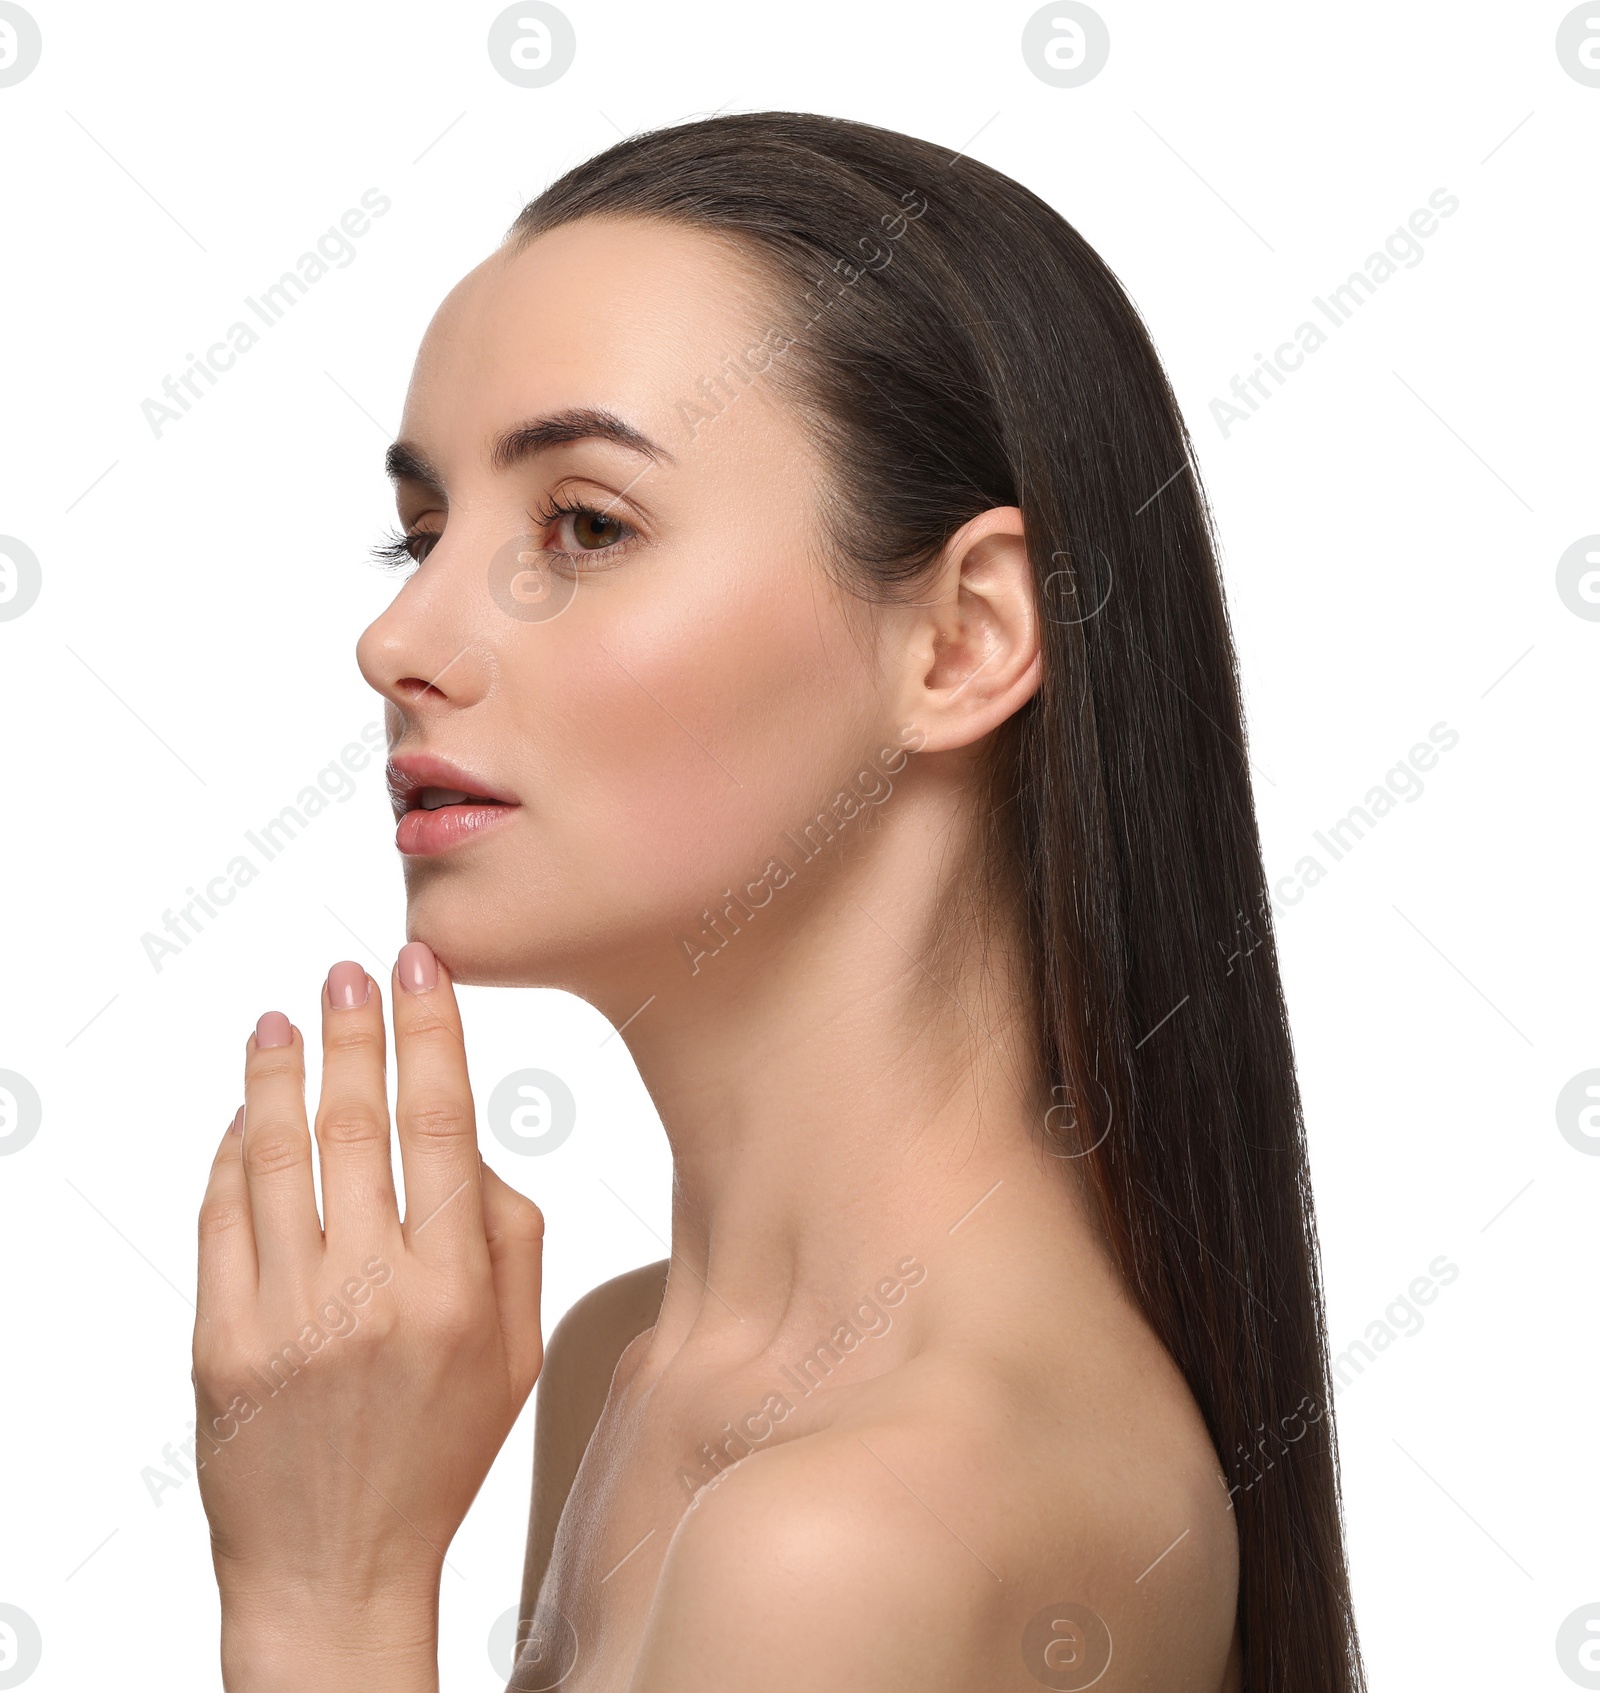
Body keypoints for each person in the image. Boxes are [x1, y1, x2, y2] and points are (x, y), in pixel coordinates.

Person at [191, 111, 1364, 1691]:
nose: (397, 637)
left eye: (584, 528)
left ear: (960, 639)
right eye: (421, 532)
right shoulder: (630, 1357)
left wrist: (324, 1596)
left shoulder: (855, 1532)